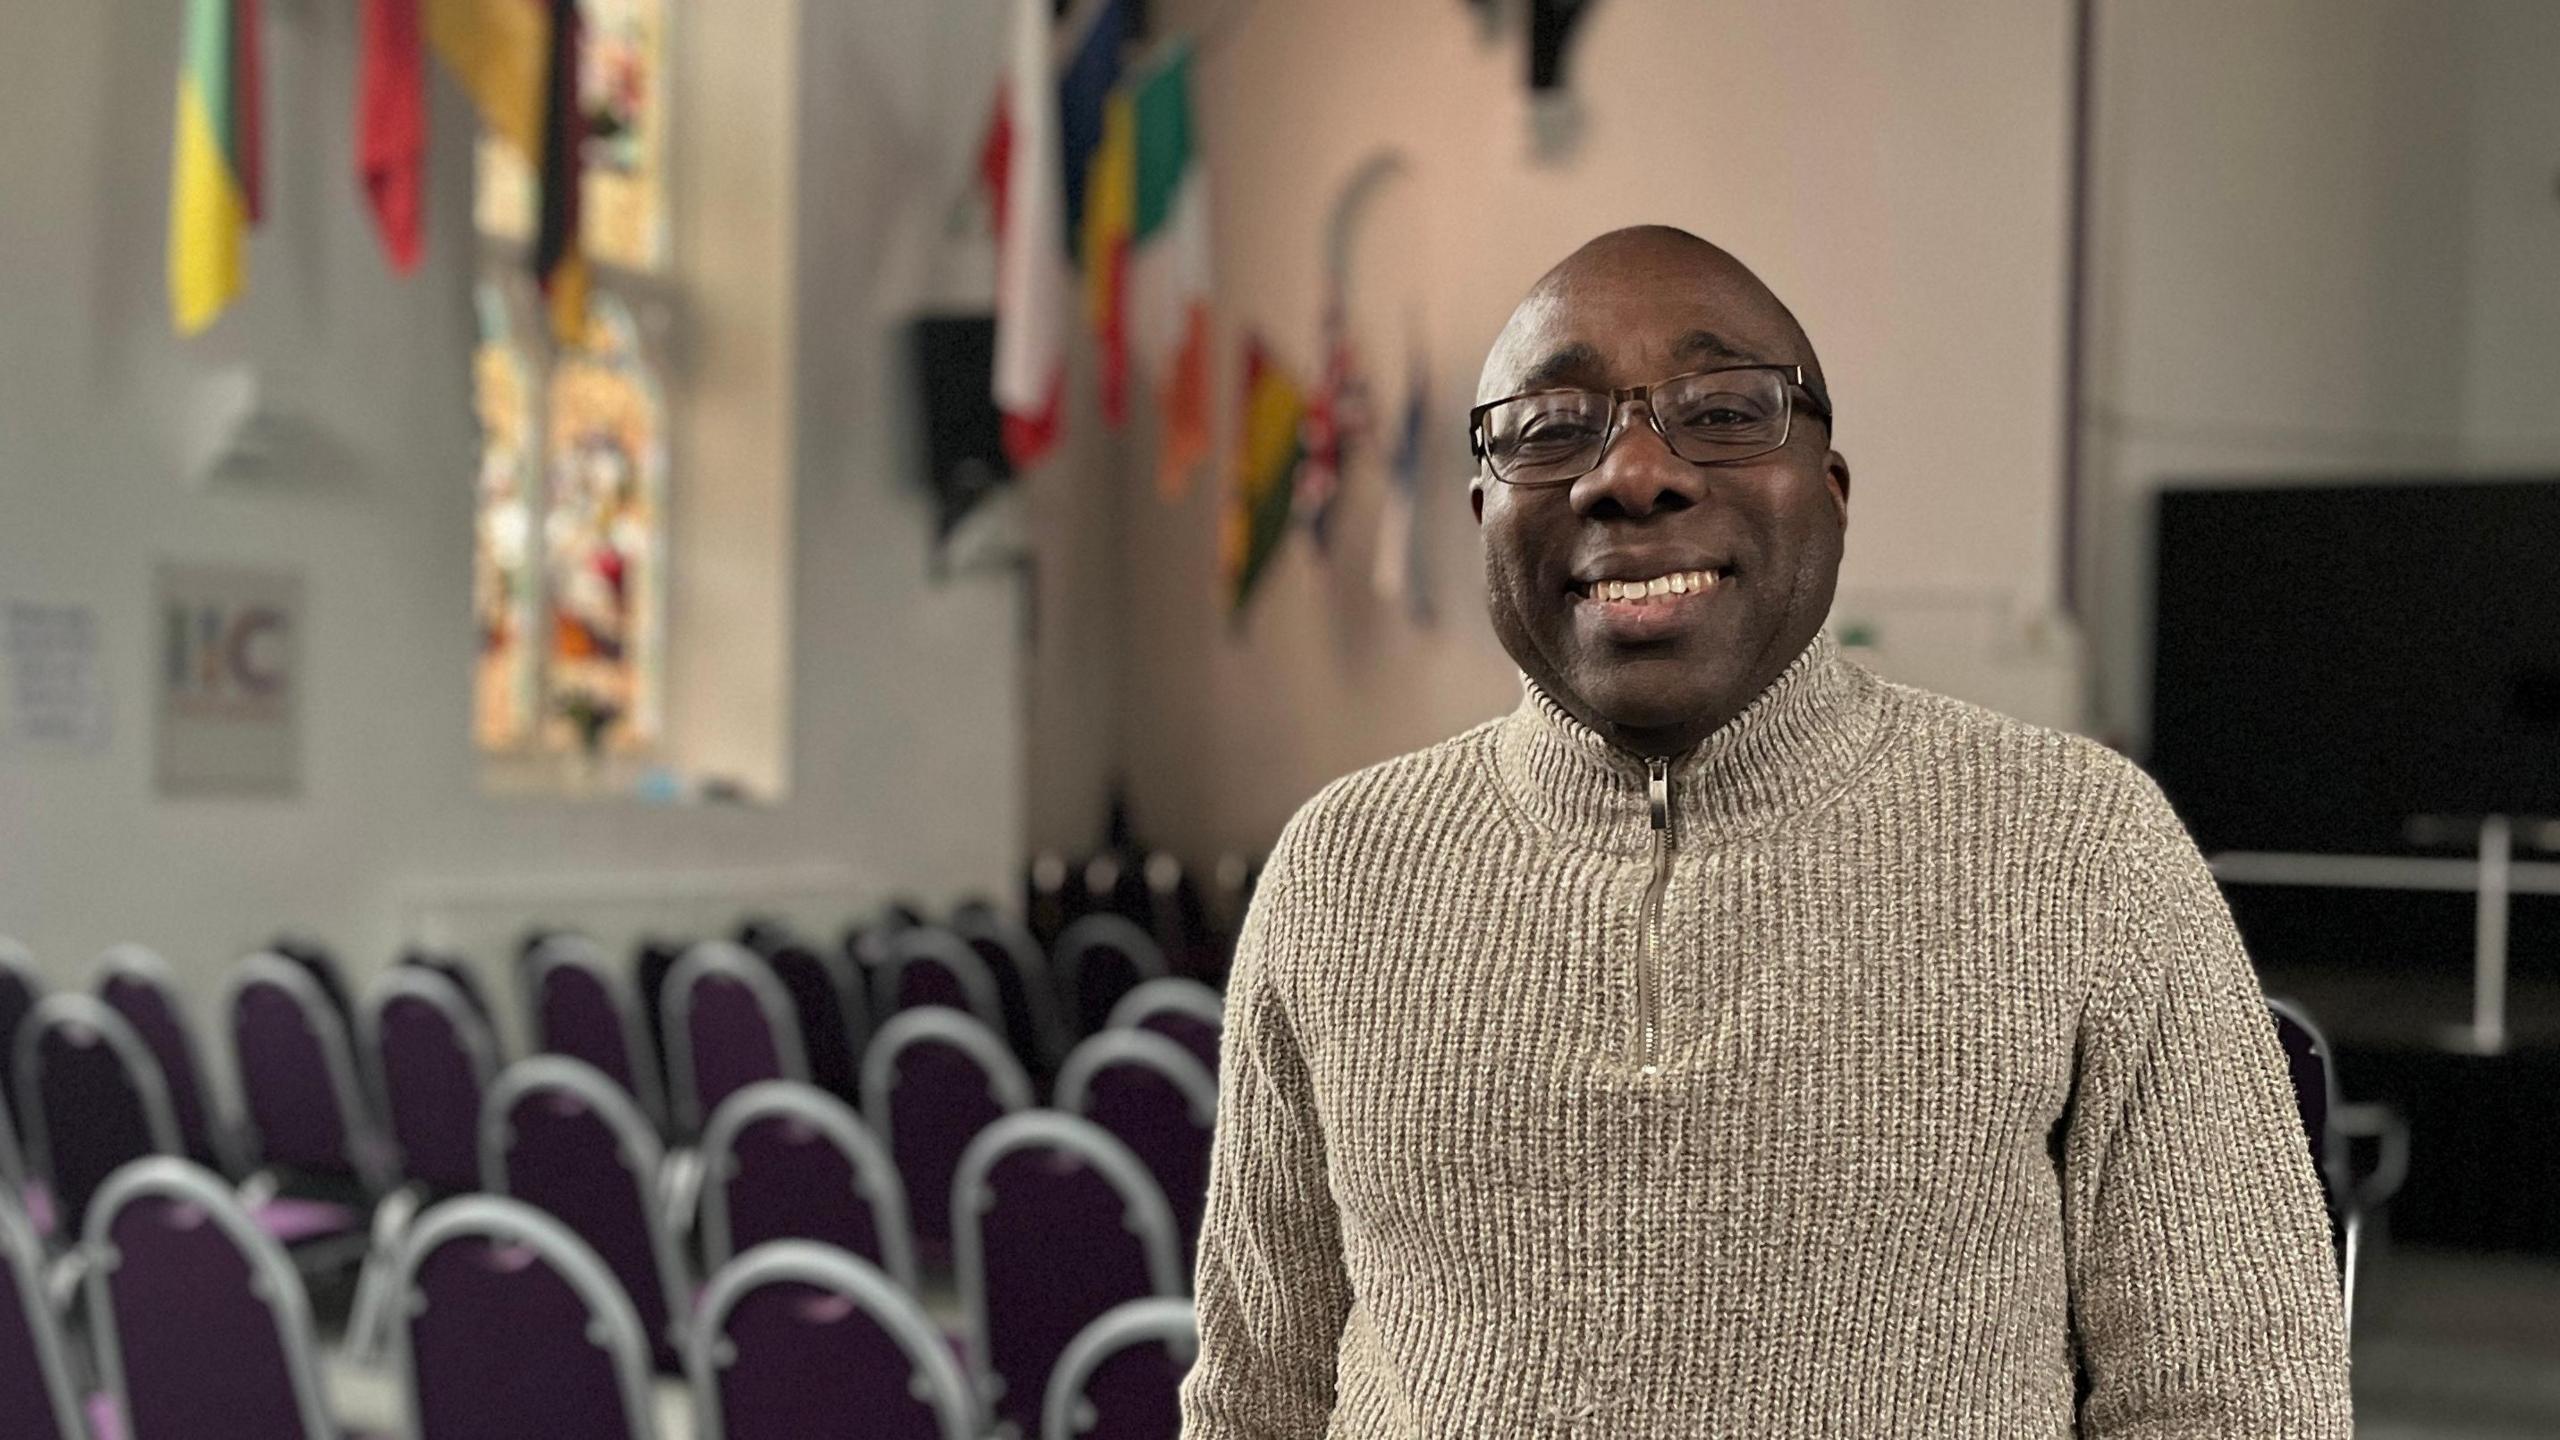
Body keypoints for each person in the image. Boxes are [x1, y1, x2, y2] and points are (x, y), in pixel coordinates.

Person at [1177, 226, 2351, 1437]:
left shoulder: (2082, 847)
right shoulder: (1338, 872)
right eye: (1550, 427)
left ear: (1832, 498)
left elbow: (2235, 1402)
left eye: (1726, 410)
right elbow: (1258, 1396)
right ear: (1483, 514)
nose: (1629, 473)